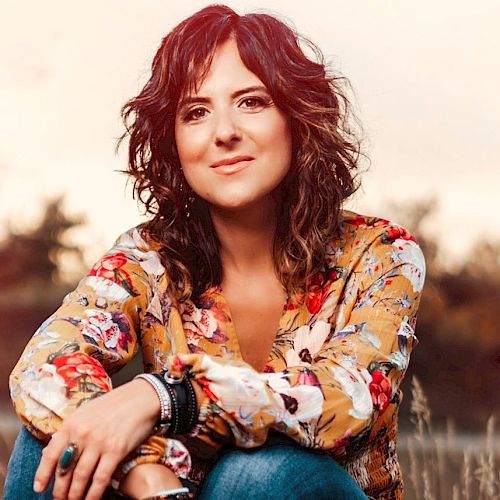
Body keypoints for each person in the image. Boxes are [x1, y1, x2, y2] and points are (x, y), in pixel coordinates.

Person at [5, 4, 425, 500]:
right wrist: (139, 470)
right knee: (60, 445)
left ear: (296, 116)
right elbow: (45, 363)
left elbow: (348, 398)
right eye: (196, 112)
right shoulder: (148, 259)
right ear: (174, 140)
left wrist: (167, 397)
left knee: (262, 472)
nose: (224, 132)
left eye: (251, 102)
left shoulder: (381, 254)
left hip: (303, 489)